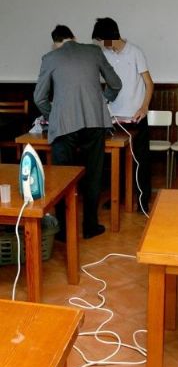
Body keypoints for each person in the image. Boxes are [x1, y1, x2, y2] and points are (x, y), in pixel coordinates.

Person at [34, 25, 122, 239]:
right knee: (93, 175)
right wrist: (103, 100)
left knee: (62, 178)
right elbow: (116, 84)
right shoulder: (93, 51)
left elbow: (39, 98)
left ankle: (63, 232)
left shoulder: (50, 58)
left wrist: (54, 113)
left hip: (64, 125)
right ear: (74, 36)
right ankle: (90, 227)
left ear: (56, 42)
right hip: (94, 121)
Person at [92, 17, 154, 213]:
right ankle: (118, 198)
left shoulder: (135, 52)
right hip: (112, 116)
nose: (101, 45)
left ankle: (143, 201)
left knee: (140, 161)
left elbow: (149, 83)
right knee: (115, 162)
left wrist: (144, 107)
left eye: (101, 40)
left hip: (135, 116)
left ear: (110, 37)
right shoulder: (105, 55)